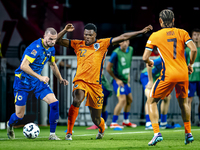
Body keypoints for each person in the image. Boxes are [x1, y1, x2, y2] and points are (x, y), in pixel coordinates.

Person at [56, 23, 152, 140]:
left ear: (95, 35)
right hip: (81, 81)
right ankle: (69, 133)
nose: (87, 37)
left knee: (96, 119)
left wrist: (141, 32)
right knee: (77, 99)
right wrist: (65, 30)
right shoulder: (77, 44)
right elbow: (57, 41)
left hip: (96, 86)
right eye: (85, 34)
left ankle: (101, 128)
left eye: (90, 35)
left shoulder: (102, 44)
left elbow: (123, 37)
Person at [142, 9, 197, 146]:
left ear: (160, 21)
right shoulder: (182, 32)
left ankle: (156, 133)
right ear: (173, 20)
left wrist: (149, 62)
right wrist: (190, 64)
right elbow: (194, 49)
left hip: (169, 74)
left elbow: (144, 57)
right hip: (183, 73)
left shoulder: (155, 35)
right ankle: (188, 133)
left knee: (152, 101)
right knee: (184, 103)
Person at [7, 28, 69, 140]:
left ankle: (52, 135)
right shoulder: (34, 48)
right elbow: (23, 66)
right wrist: (40, 76)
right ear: (44, 36)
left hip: (37, 83)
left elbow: (53, 65)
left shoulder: (51, 48)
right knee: (19, 116)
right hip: (23, 82)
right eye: (50, 39)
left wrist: (60, 78)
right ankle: (9, 125)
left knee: (54, 103)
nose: (53, 42)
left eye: (54, 40)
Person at [106, 40, 136, 128]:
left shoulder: (130, 49)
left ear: (129, 42)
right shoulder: (116, 53)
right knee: (122, 100)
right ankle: (113, 122)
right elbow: (108, 68)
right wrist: (116, 79)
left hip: (126, 80)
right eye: (123, 42)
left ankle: (126, 121)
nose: (125, 43)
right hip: (118, 81)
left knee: (130, 100)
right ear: (119, 43)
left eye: (127, 41)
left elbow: (128, 63)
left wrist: (129, 75)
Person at [140, 56, 171, 130]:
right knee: (150, 96)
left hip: (158, 77)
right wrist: (150, 81)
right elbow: (148, 64)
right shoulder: (162, 58)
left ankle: (163, 123)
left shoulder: (174, 59)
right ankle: (148, 123)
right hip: (147, 75)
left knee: (167, 97)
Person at [185, 28, 200, 126]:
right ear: (191, 36)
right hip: (190, 79)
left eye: (198, 35)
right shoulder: (187, 50)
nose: (197, 37)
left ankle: (199, 119)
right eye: (195, 35)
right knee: (189, 101)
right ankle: (188, 121)